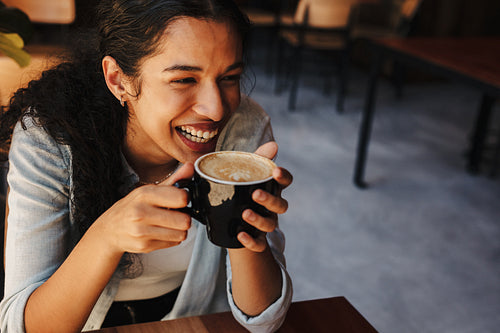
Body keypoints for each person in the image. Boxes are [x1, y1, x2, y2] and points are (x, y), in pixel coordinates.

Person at [0, 0, 293, 332]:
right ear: (118, 80)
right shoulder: (49, 139)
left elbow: (264, 322)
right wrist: (107, 236)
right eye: (184, 79)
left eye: (230, 77)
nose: (215, 109)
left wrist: (245, 225)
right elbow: (21, 328)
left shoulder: (244, 127)